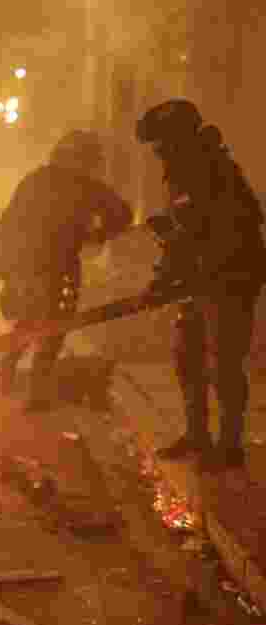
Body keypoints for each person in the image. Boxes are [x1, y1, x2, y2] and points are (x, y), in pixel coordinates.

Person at [137, 99, 266, 473]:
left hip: (230, 279)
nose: (157, 151)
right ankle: (197, 436)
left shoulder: (207, 167)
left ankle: (230, 446)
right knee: (187, 357)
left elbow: (198, 234)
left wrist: (162, 279)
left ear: (177, 137)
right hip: (201, 279)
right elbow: (185, 232)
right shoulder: (183, 169)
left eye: (161, 142)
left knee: (223, 364)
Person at [0, 130, 134, 411]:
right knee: (52, 325)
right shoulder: (82, 186)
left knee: (34, 321)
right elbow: (122, 214)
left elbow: (8, 221)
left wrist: (2, 259)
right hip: (53, 267)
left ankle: (10, 374)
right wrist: (96, 235)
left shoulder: (41, 181)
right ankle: (31, 386)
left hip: (33, 266)